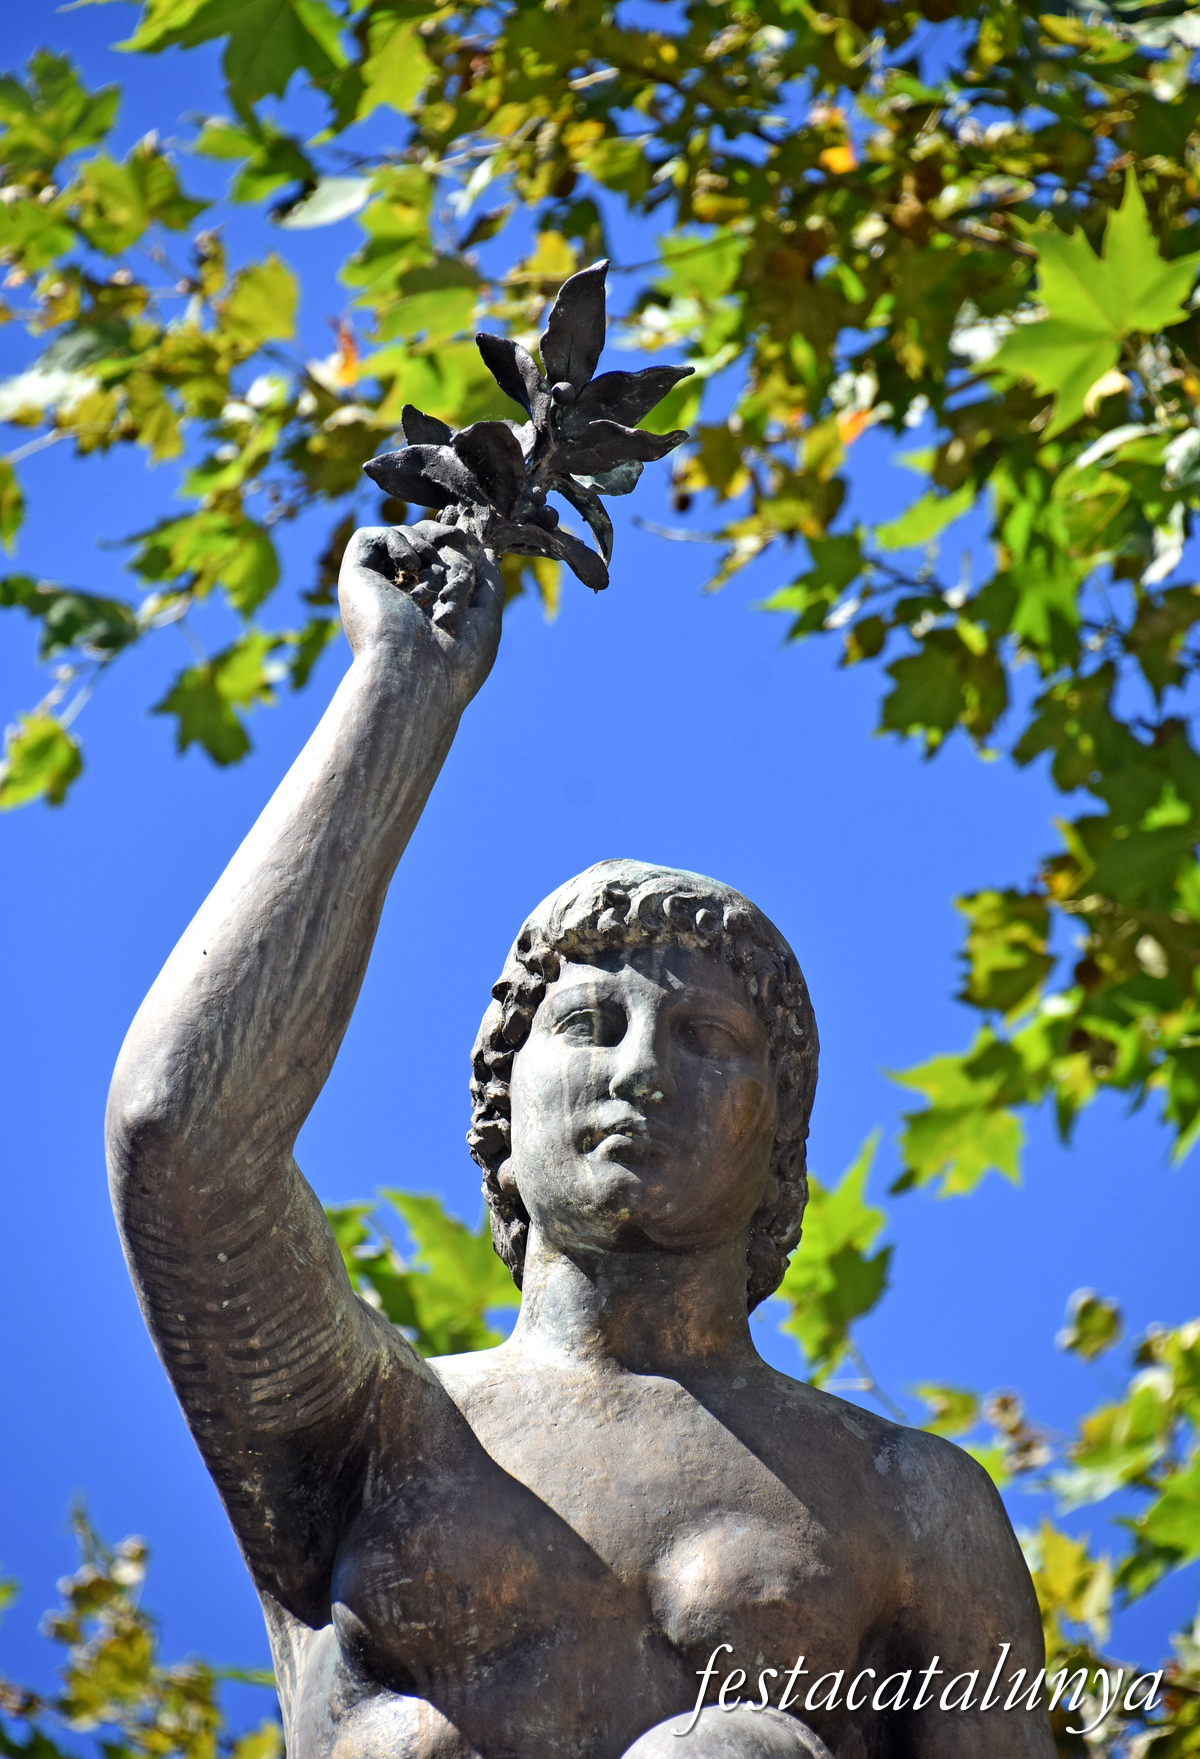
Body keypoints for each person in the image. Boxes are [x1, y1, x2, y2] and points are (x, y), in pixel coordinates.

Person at [106, 521, 1055, 1759]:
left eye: (707, 1036)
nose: (643, 1068)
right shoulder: (373, 1434)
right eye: (593, 1022)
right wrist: (402, 688)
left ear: (783, 1142)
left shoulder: (907, 1501)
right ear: (500, 1109)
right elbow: (182, 1131)